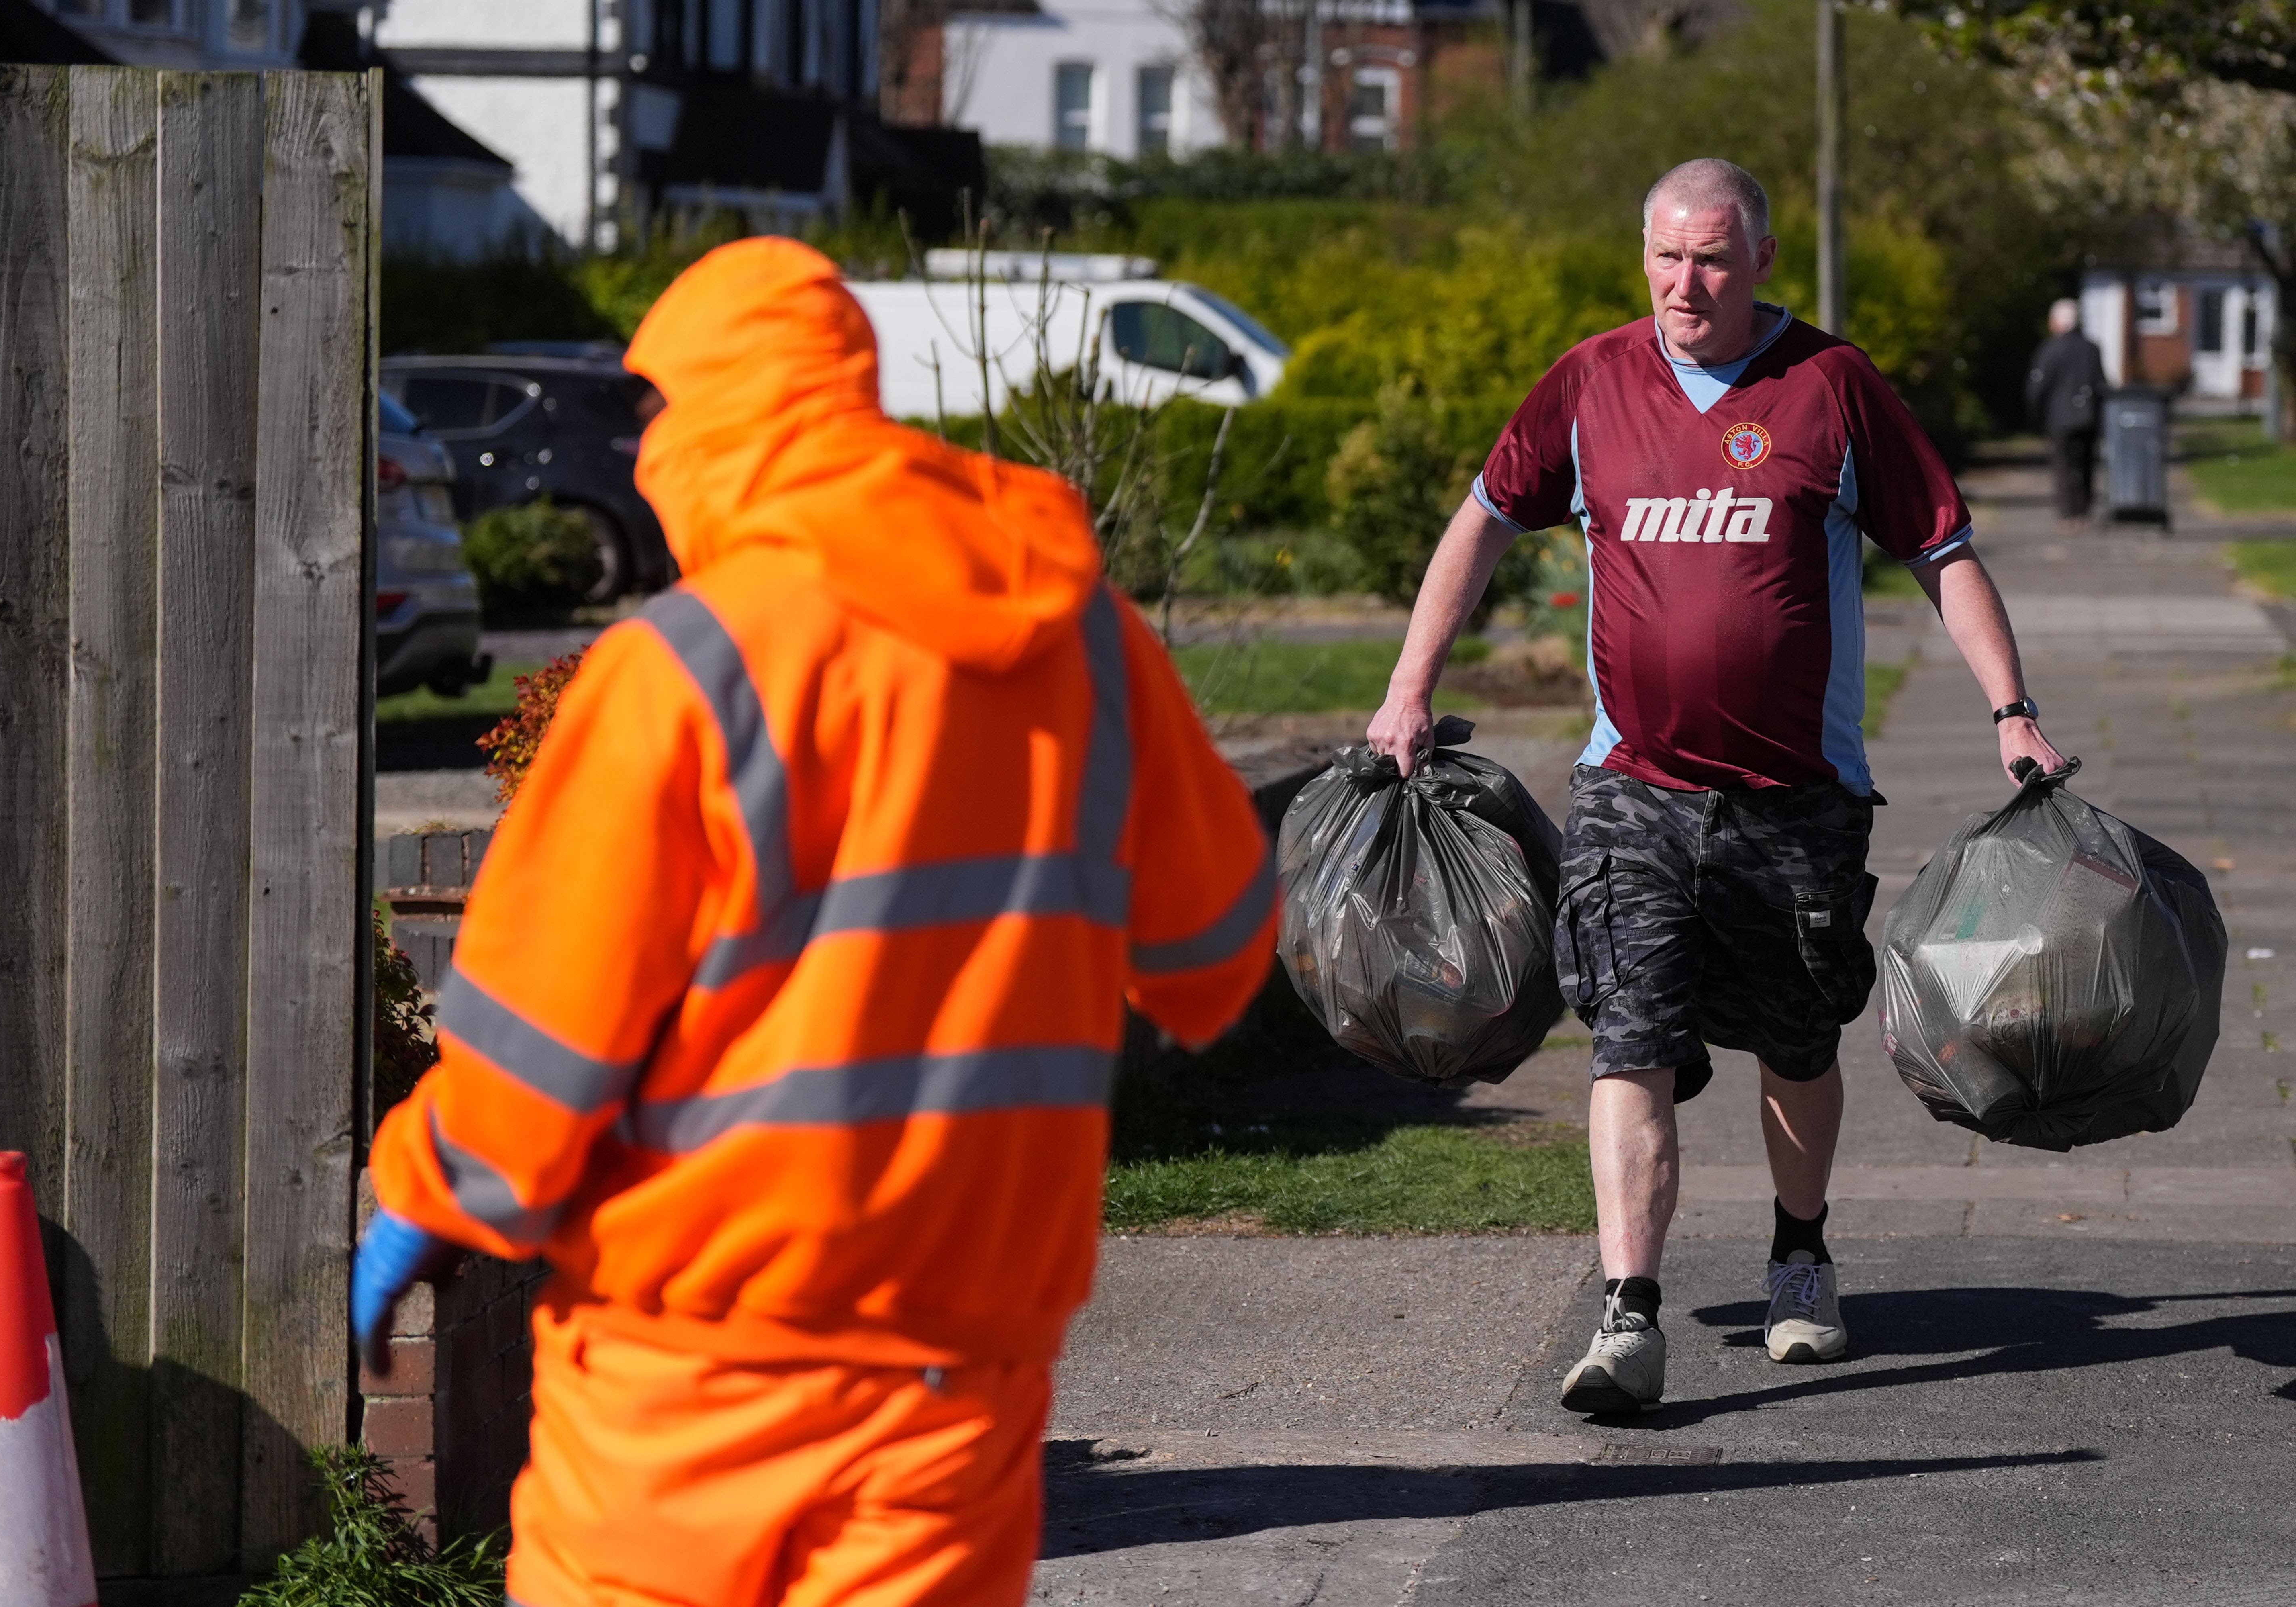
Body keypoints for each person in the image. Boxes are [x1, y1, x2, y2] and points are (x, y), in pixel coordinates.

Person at [351, 238, 1278, 1607]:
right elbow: (1212, 957)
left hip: (696, 1371)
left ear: (705, 422)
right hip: (956, 1381)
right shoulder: (1079, 632)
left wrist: (422, 1195)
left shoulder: (685, 673)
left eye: (655, 415)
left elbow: (532, 1071)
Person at [1365, 159, 2066, 1414]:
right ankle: (1627, 1314)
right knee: (1626, 1038)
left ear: (1760, 260)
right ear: (1640, 255)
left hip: (1797, 794)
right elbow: (1479, 520)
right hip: (1630, 783)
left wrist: (2010, 713)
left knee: (1796, 1043)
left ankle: (1799, 1256)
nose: (1685, 285)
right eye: (1666, 258)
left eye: (1712, 261)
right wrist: (1407, 685)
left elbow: (1943, 553)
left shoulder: (1830, 388)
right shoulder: (1587, 383)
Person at [2024, 297, 2108, 525]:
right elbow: (2101, 384)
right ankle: (2084, 510)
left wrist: (2037, 416)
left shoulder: (2050, 350)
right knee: (2086, 464)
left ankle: (2069, 513)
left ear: (2057, 323)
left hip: (2060, 418)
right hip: (2089, 415)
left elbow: (2037, 388)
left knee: (2064, 466)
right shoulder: (2092, 349)